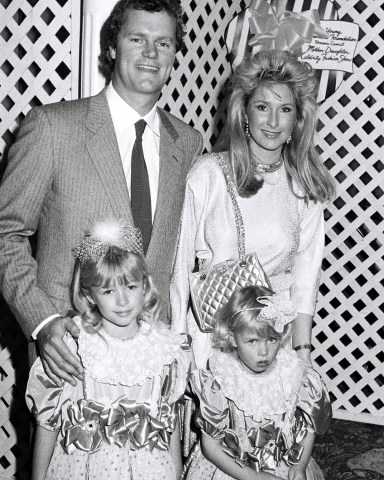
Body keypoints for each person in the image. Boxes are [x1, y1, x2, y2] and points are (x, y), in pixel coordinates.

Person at [0, 0, 202, 386]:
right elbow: (5, 232)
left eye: (163, 43)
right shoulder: (53, 128)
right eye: (137, 38)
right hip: (70, 355)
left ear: (174, 53)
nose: (150, 53)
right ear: (112, 48)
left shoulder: (189, 143)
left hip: (154, 360)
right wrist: (43, 321)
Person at [170, 50, 336, 368]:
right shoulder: (208, 174)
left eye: (284, 109)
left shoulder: (304, 186)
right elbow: (179, 266)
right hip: (217, 333)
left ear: (298, 118)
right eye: (262, 107)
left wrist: (302, 353)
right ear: (244, 112)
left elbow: (306, 279)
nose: (273, 122)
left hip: (275, 338)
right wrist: (180, 340)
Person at [26, 218, 191, 480]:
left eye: (131, 286)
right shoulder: (77, 345)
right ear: (90, 295)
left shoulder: (164, 347)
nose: (122, 300)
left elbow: (168, 422)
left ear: (144, 286)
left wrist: (176, 471)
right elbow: (48, 423)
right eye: (108, 291)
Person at [184, 285, 332, 480]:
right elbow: (211, 448)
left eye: (271, 339)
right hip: (233, 469)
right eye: (252, 341)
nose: (263, 351)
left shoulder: (292, 375)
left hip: (282, 465)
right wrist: (255, 477)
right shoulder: (221, 382)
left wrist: (300, 464)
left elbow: (307, 428)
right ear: (233, 339)